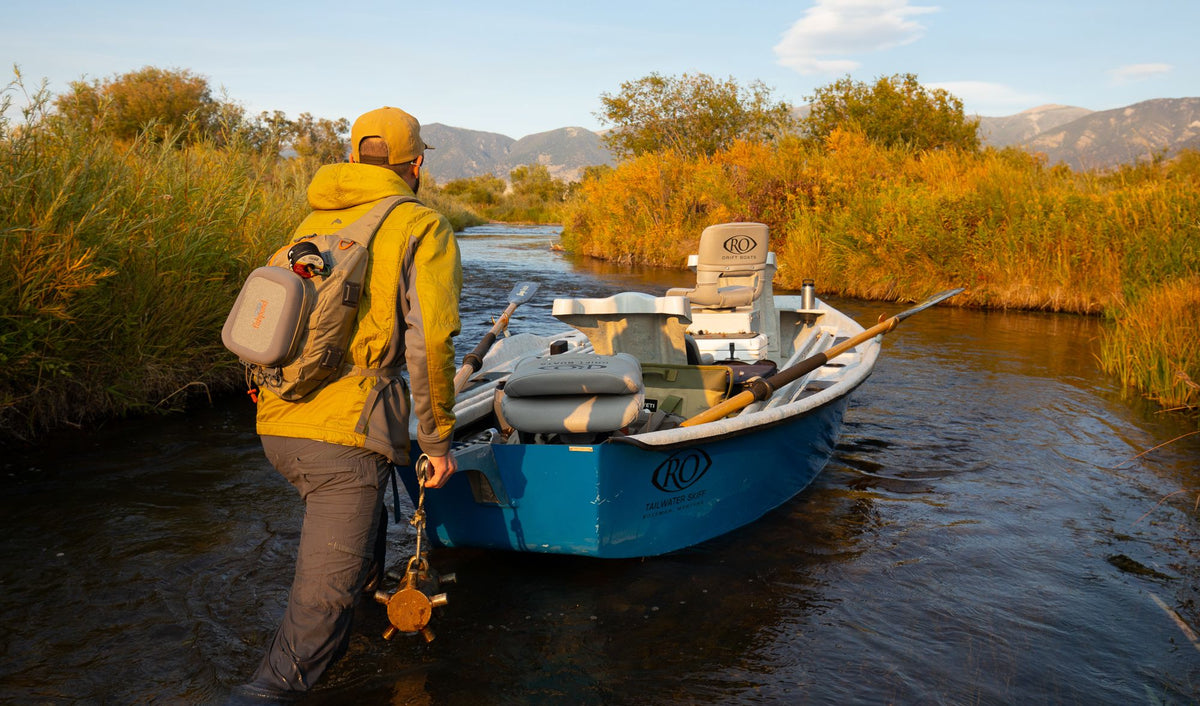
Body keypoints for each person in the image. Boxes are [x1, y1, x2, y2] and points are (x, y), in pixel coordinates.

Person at [233, 106, 461, 701]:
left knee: (356, 563)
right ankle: (268, 691)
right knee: (315, 621)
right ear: (415, 165)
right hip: (344, 437)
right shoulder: (420, 224)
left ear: (356, 157)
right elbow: (430, 339)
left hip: (280, 420)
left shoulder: (313, 220)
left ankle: (358, 644)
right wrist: (436, 443)